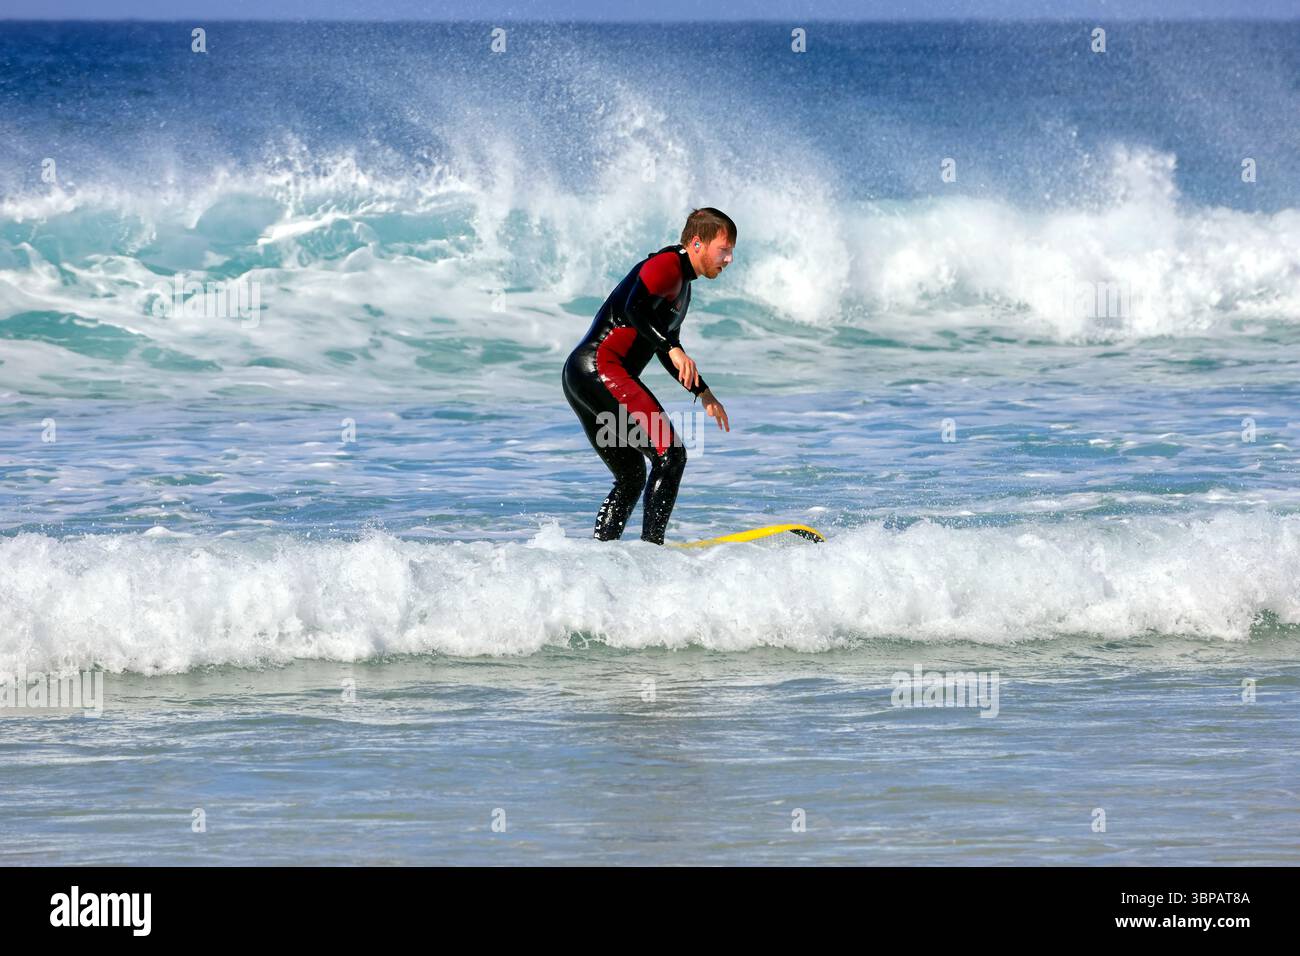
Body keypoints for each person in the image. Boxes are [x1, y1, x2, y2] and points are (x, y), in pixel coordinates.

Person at [562, 207, 735, 544]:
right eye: (723, 250)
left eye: (730, 253)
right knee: (670, 455)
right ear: (697, 243)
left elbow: (665, 346)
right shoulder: (666, 265)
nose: (728, 259)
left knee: (630, 476)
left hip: (583, 376)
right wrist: (671, 346)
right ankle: (651, 553)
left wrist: (703, 393)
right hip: (601, 368)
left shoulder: (682, 285)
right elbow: (635, 309)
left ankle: (603, 557)